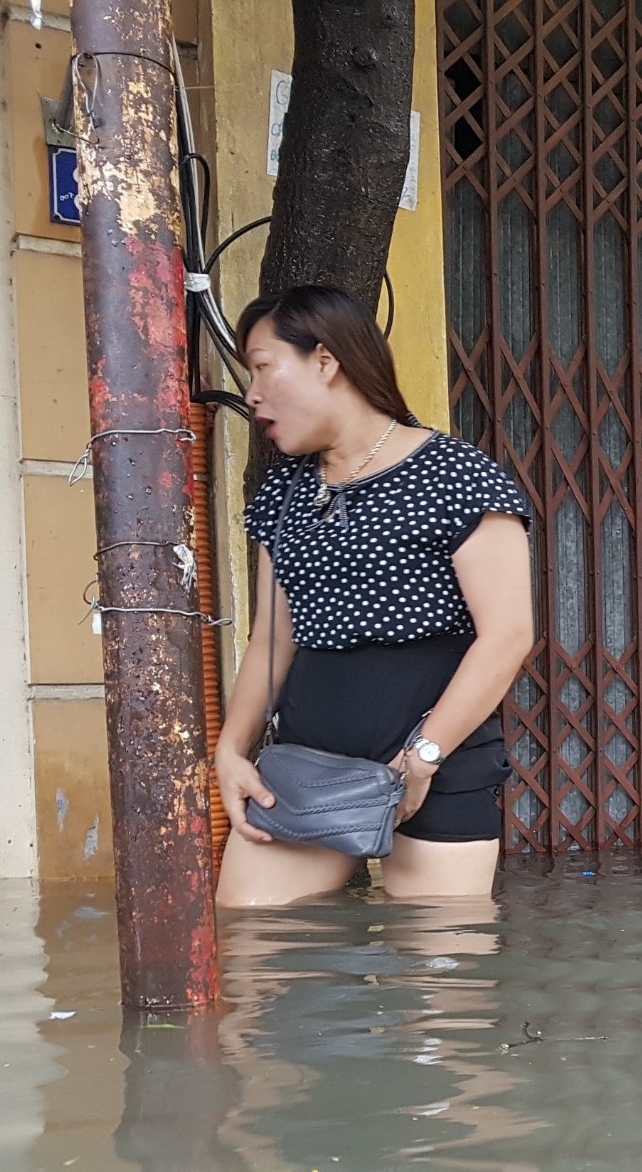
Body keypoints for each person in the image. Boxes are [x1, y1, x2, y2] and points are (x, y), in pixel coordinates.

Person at [213, 285, 536, 906]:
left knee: (442, 987)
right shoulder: (283, 492)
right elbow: (272, 637)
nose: (251, 393)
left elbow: (508, 634)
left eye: (261, 366)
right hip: (305, 767)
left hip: (438, 765)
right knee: (255, 962)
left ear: (325, 361)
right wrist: (230, 750)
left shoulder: (458, 475)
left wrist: (423, 757)